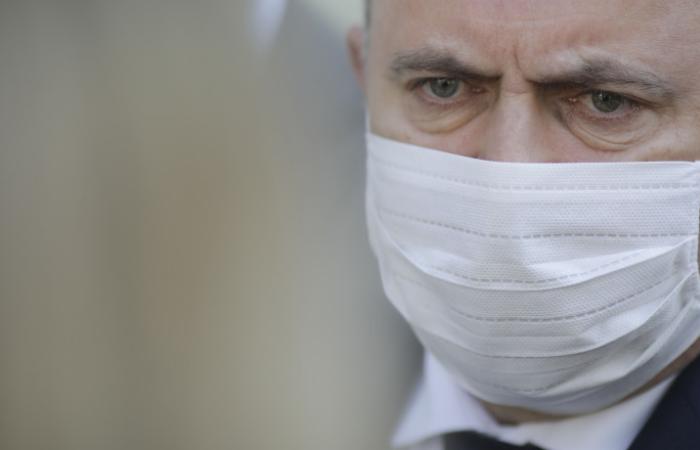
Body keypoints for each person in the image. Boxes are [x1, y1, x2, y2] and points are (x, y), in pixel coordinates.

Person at [346, 1, 700, 449]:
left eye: (606, 101)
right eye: (443, 87)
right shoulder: (284, 373)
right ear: (362, 76)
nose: (506, 178)